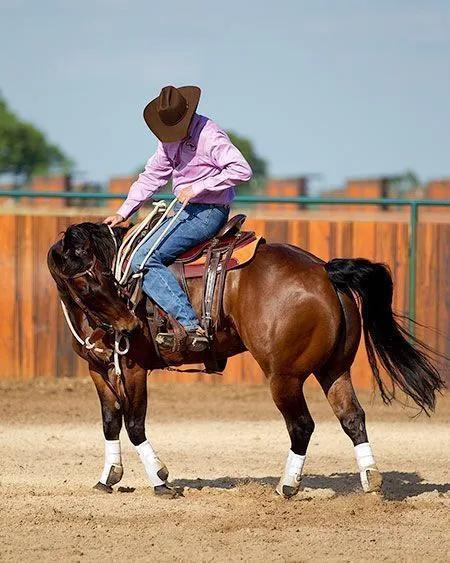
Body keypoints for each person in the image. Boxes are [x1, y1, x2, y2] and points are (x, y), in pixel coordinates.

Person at [104, 85, 253, 350]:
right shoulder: (168, 140)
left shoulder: (210, 135)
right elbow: (151, 176)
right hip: (183, 209)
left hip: (207, 211)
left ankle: (189, 324)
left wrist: (198, 187)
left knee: (144, 259)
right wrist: (123, 212)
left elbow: (242, 169)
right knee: (132, 251)